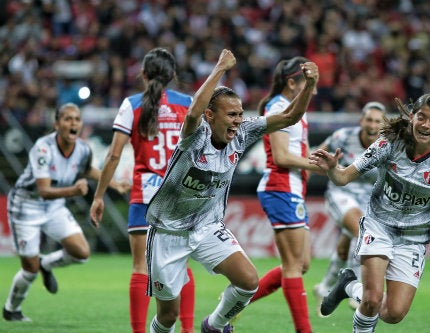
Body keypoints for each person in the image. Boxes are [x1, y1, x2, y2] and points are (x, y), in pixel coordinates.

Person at [144, 49, 318, 333]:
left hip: (207, 226)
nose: (238, 120)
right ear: (211, 116)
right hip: (168, 231)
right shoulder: (195, 136)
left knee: (249, 281)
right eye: (231, 115)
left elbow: (288, 117)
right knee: (168, 316)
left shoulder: (244, 132)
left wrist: (309, 86)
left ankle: (214, 325)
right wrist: (220, 68)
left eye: (240, 114)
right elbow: (192, 113)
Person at [309, 93, 430, 332]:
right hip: (379, 225)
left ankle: (348, 285)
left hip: (415, 237)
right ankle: (357, 293)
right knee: (372, 300)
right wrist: (332, 170)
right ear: (412, 117)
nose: (426, 125)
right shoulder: (389, 143)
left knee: (393, 313)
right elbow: (344, 177)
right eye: (421, 117)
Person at [89, 47, 196, 333]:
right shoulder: (187, 103)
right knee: (181, 268)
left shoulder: (132, 104)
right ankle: (186, 330)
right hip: (181, 197)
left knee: (140, 268)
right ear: (173, 75)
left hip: (145, 195)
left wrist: (99, 196)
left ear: (143, 74)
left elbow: (113, 155)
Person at [3, 103, 130, 322]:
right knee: (29, 270)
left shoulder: (82, 149)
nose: (73, 123)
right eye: (67, 119)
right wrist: (73, 190)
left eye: (77, 119)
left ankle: (46, 263)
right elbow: (43, 190)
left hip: (53, 207)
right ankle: (11, 309)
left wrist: (114, 184)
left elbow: (87, 169)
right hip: (26, 206)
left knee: (82, 253)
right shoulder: (43, 147)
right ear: (57, 124)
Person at [250, 56, 323, 333]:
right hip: (279, 187)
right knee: (293, 265)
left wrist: (320, 162)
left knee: (301, 264)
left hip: (293, 188)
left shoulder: (296, 110)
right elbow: (281, 156)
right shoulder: (277, 107)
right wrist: (319, 166)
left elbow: (298, 154)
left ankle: (235, 302)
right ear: (292, 82)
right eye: (307, 78)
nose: (314, 84)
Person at [313, 101, 386, 314]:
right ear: (361, 120)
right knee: (361, 231)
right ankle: (357, 287)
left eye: (377, 121)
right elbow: (316, 156)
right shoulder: (343, 137)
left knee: (345, 248)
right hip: (340, 194)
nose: (372, 125)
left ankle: (325, 286)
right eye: (369, 119)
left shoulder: (386, 145)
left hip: (368, 202)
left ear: (383, 125)